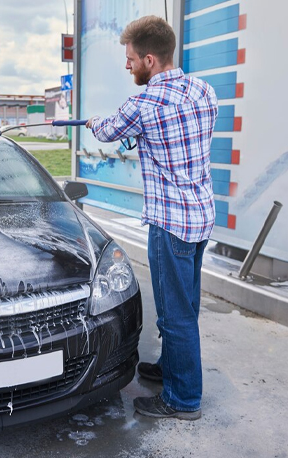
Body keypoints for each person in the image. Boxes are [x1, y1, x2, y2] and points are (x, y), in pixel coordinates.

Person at [86, 15, 218, 420]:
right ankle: (171, 369)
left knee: (174, 314)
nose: (127, 67)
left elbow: (108, 132)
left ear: (149, 59)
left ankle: (183, 400)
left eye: (130, 60)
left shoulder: (144, 103)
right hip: (200, 218)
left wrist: (93, 122)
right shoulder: (204, 90)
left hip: (171, 224)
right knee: (186, 306)